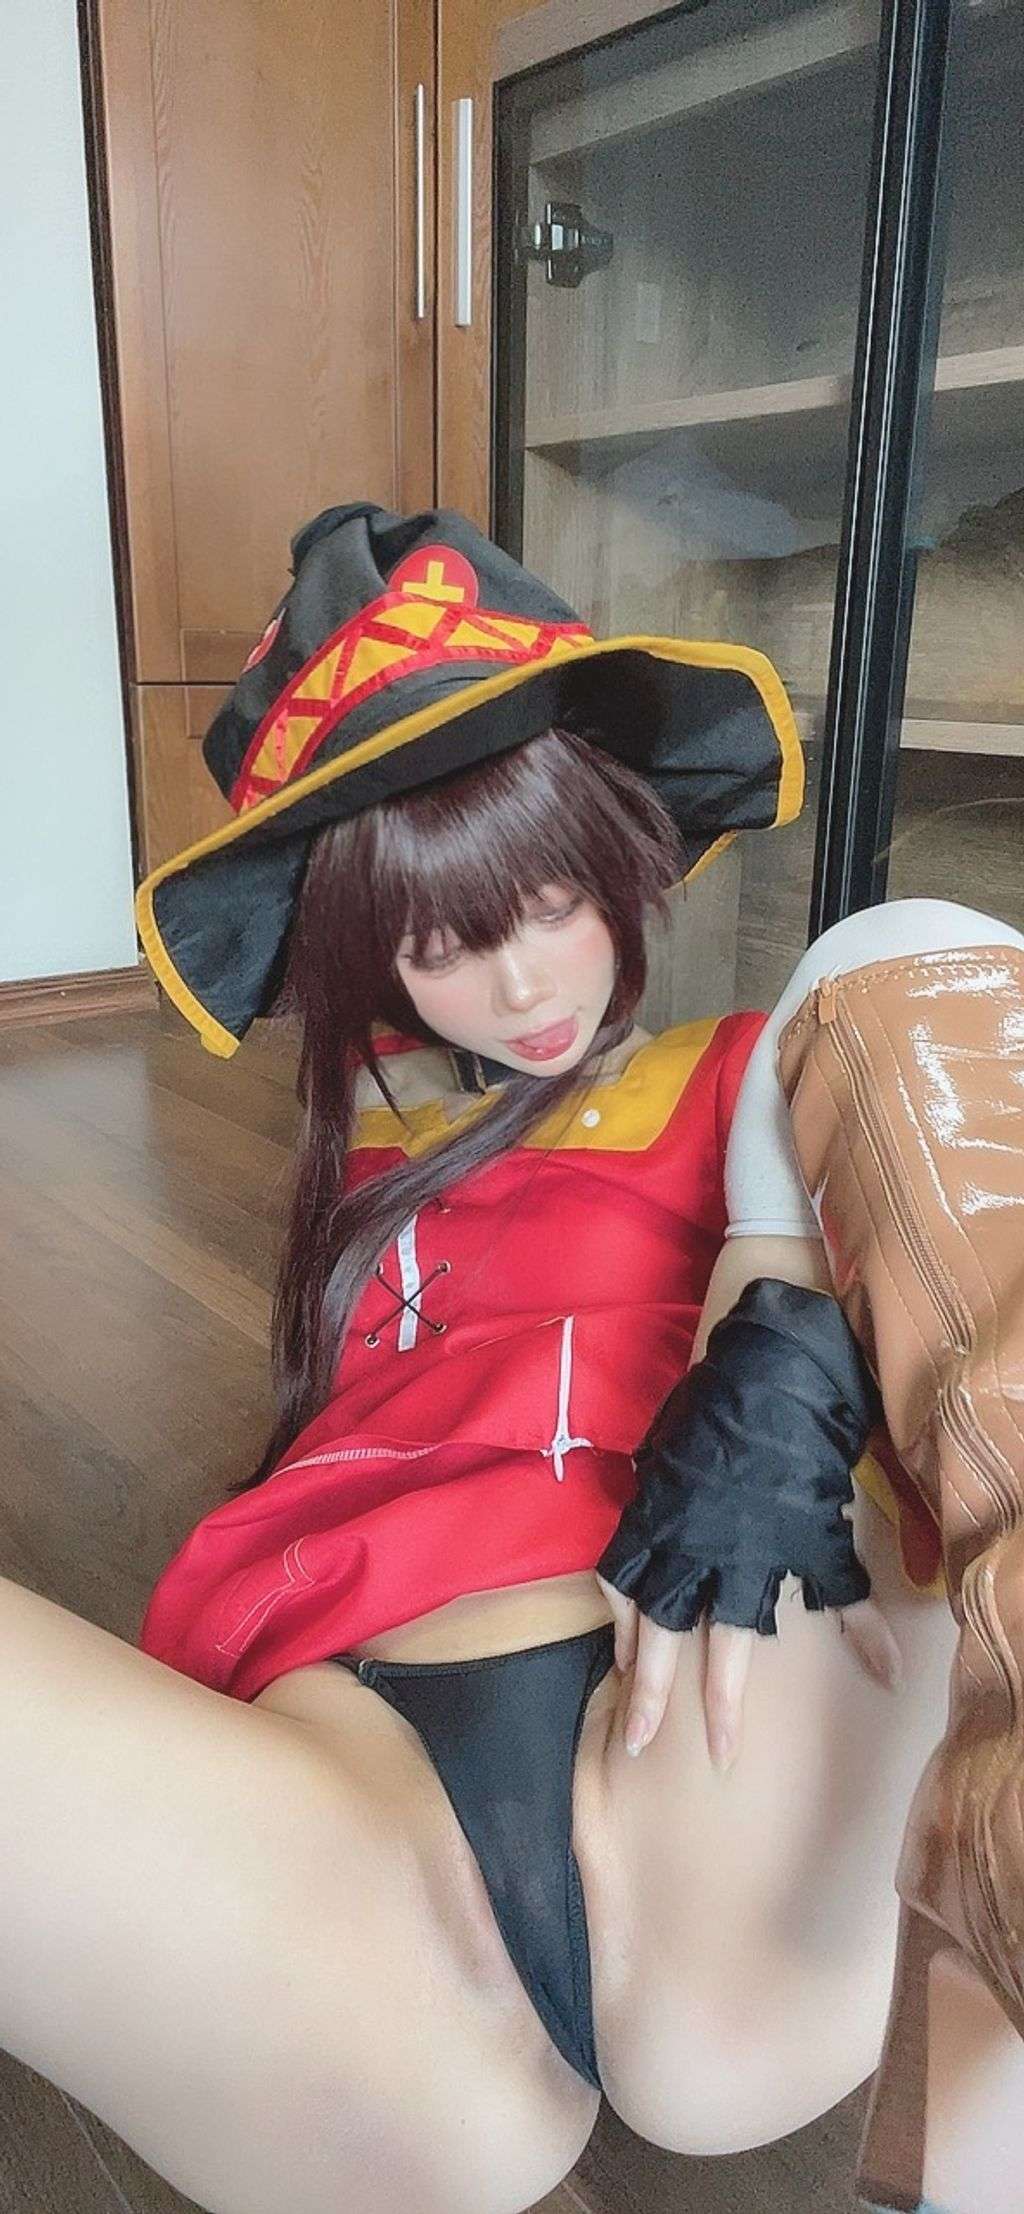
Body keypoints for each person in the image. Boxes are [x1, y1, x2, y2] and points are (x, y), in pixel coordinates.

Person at [2, 502, 1021, 2214]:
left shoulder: (756, 1071)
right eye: (444, 938)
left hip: (712, 1697)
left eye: (551, 896)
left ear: (622, 849)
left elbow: (924, 961)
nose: (526, 976)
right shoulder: (374, 1166)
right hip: (355, 1806)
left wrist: (776, 1287)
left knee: (909, 959)